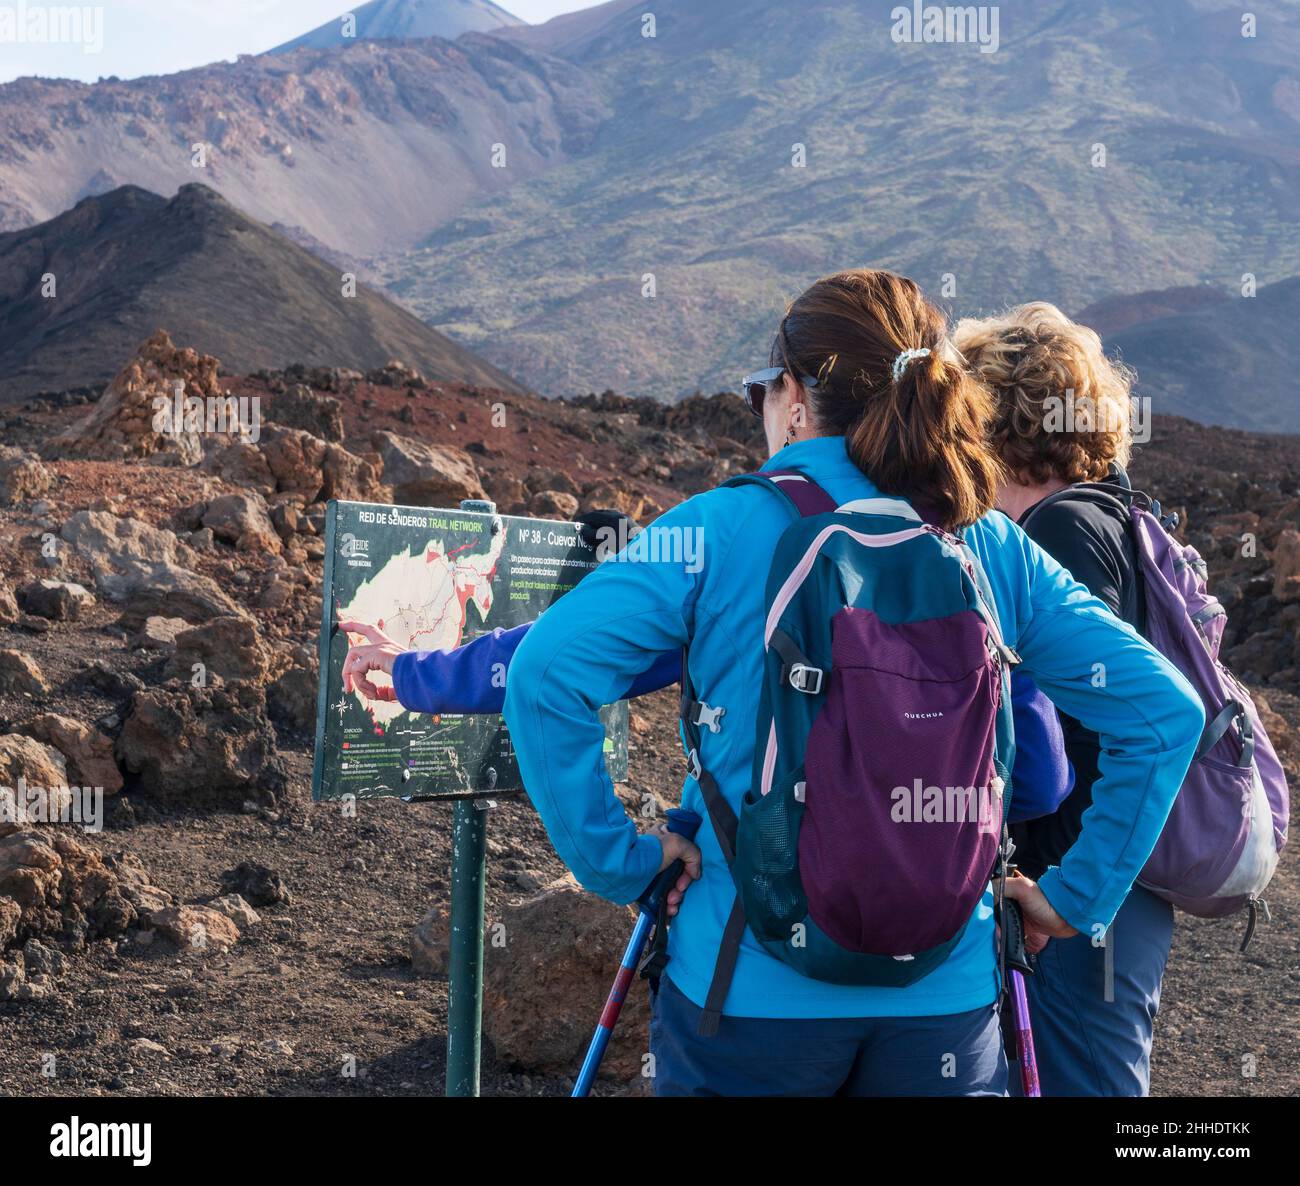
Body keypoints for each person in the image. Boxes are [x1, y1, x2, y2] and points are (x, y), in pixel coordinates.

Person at [345, 269, 1203, 1097]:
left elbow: (546, 671)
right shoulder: (987, 542)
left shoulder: (721, 529)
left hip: (749, 992)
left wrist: (625, 864)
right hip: (944, 1002)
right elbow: (1165, 713)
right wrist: (1071, 900)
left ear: (796, 398)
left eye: (764, 387)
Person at [954, 301, 1174, 1097]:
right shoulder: (1110, 513)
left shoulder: (1053, 535)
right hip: (1115, 871)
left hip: (1074, 883)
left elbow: (1066, 735)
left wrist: (1059, 896)